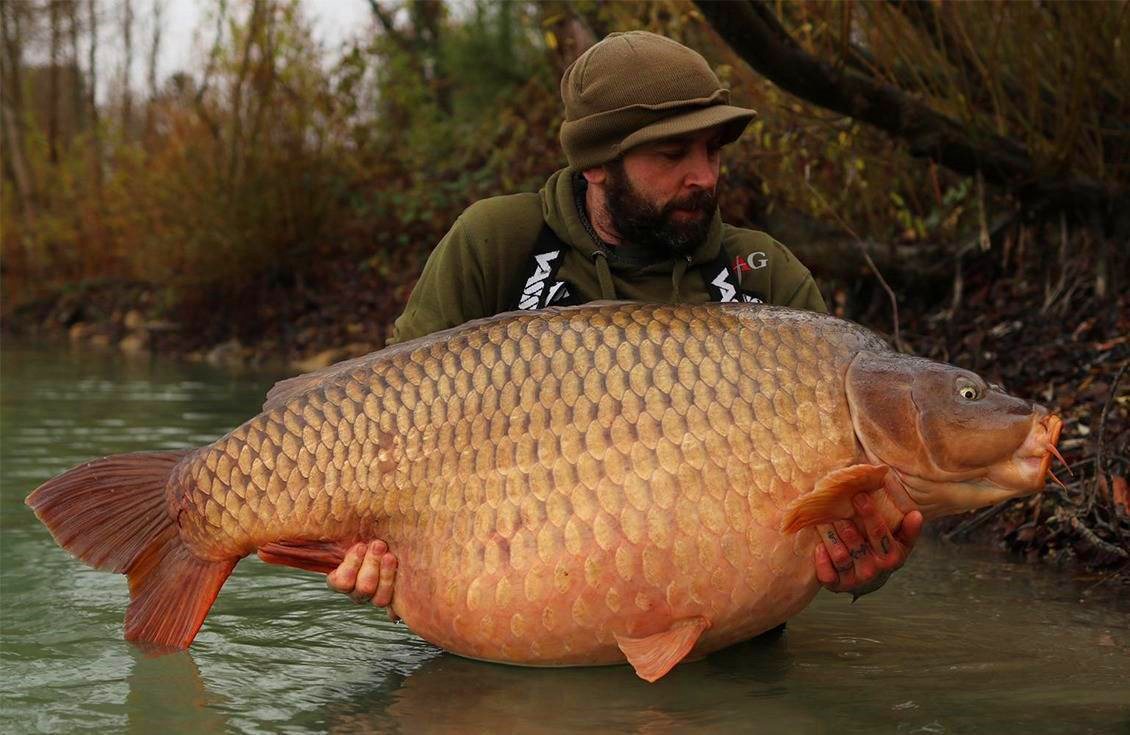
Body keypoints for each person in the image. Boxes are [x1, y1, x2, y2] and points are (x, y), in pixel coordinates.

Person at [325, 31, 923, 619]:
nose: (705, 177)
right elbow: (385, 426)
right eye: (672, 155)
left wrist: (863, 570)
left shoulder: (763, 280)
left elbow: (843, 521)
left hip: (725, 653)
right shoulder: (498, 244)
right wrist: (363, 554)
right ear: (595, 164)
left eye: (712, 150)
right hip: (506, 634)